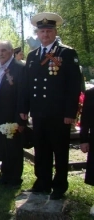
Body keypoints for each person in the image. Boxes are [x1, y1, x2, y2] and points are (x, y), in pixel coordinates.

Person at [19, 12, 81, 200]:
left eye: (49, 31)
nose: (45, 35)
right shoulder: (32, 56)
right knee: (41, 150)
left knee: (60, 151)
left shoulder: (66, 53)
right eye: (42, 31)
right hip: (38, 113)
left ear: (55, 32)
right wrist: (24, 108)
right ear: (37, 34)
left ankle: (59, 186)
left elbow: (74, 85)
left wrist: (71, 112)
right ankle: (42, 182)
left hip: (59, 113)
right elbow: (27, 85)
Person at [0, 41, 25, 187]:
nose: (0, 54)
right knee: (3, 147)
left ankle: (15, 179)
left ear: (11, 51)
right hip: (0, 114)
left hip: (12, 115)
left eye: (3, 50)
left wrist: (20, 121)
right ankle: (6, 175)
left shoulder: (19, 68)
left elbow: (22, 95)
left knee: (14, 148)